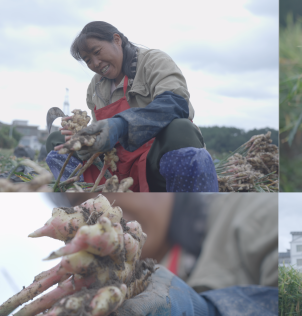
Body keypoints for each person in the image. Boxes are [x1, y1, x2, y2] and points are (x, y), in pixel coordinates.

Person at [49, 193, 278, 316]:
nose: (97, 211)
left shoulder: (249, 213)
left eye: (107, 190)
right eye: (77, 202)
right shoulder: (96, 308)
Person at [45, 21, 218, 192]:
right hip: (117, 166)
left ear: (117, 40)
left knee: (180, 128)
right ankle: (89, 202)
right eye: (88, 60)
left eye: (97, 52)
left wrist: (121, 125)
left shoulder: (153, 62)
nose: (95, 63)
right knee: (57, 141)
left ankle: (183, 207)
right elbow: (102, 136)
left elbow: (175, 103)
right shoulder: (95, 86)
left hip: (153, 162)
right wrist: (87, 143)